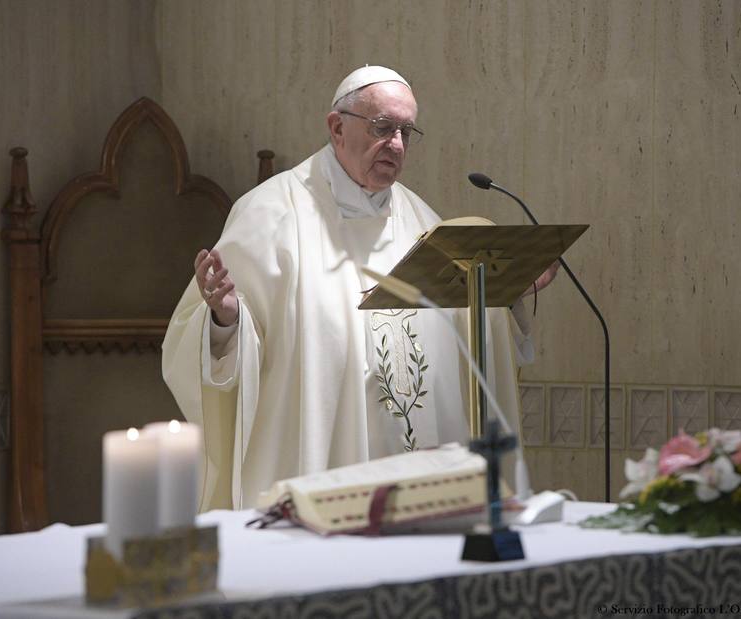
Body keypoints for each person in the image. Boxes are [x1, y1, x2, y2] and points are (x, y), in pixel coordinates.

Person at [162, 66, 558, 510]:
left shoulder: (420, 221)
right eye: (383, 128)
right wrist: (226, 320)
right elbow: (208, 349)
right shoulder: (269, 215)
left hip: (416, 477)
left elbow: (464, 333)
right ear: (336, 128)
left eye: (407, 132)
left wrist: (512, 290)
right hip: (321, 462)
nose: (397, 144)